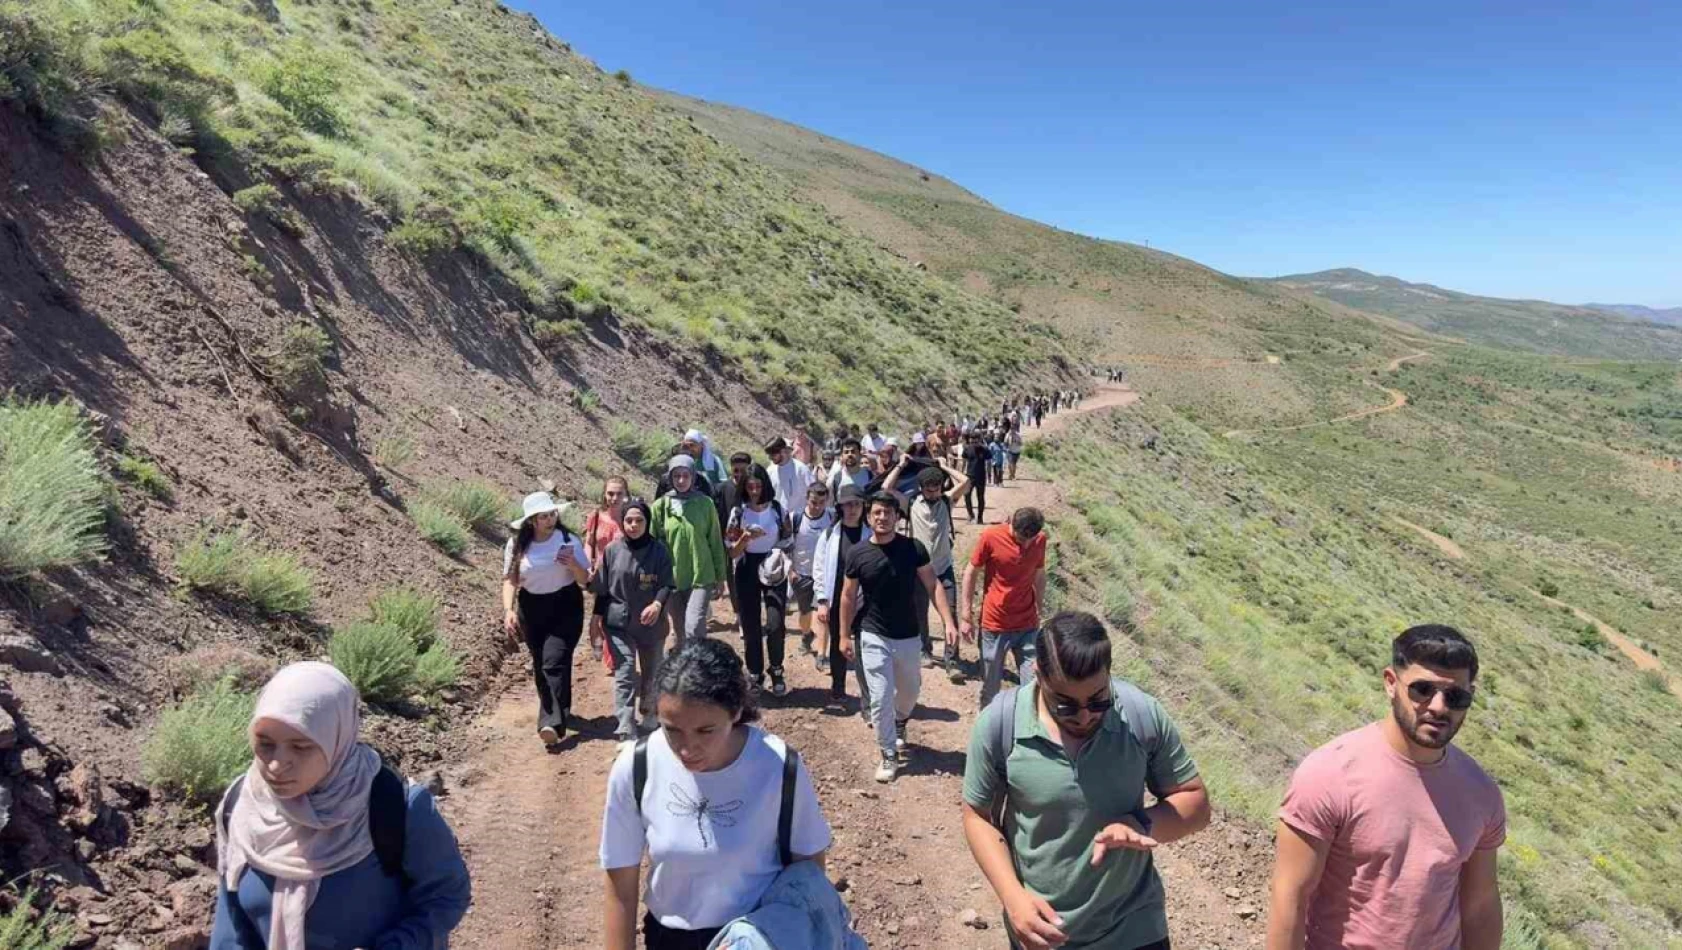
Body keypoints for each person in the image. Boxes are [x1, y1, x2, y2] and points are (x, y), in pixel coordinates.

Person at [961, 612, 1208, 950]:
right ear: (1038, 676)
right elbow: (976, 817)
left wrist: (1141, 824)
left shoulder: (1140, 716)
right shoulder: (1000, 725)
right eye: (1066, 704)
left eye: (1098, 699)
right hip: (1045, 932)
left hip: (1134, 926)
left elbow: (1195, 803)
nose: (1085, 715)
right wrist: (1012, 897)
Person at [1266, 625, 1505, 950]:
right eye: (1422, 690)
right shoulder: (1330, 773)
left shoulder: (1481, 792)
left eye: (1455, 696)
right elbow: (1290, 896)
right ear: (1391, 684)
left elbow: (1480, 907)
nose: (1438, 707)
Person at [212, 662, 471, 950]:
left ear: (337, 739)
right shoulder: (243, 806)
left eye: (300, 747)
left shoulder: (395, 807)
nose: (275, 764)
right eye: (265, 744)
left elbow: (447, 895)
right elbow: (231, 923)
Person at [601, 639, 832, 950]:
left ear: (736, 711)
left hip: (758, 937)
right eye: (672, 729)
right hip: (670, 939)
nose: (686, 748)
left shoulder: (779, 766)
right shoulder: (636, 765)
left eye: (705, 731)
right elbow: (620, 888)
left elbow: (808, 873)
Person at [837, 492, 959, 783]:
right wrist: (843, 635)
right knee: (879, 698)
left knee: (910, 692)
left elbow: (934, 585)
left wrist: (948, 621)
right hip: (872, 633)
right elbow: (847, 595)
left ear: (896, 517)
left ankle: (901, 720)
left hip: (907, 635)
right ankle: (888, 753)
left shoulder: (913, 548)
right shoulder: (857, 553)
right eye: (877, 512)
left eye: (887, 513)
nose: (882, 518)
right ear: (869, 516)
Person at [503, 491, 591, 745]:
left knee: (555, 661)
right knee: (542, 664)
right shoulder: (517, 545)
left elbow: (585, 580)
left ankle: (550, 723)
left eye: (552, 514)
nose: (550, 520)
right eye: (544, 516)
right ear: (532, 521)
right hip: (531, 608)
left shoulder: (568, 540)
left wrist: (573, 563)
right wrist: (509, 610)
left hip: (565, 605)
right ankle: (559, 711)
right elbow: (510, 580)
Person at [591, 499, 675, 748]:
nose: (634, 525)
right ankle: (626, 728)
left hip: (651, 623)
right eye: (629, 520)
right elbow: (602, 590)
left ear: (647, 522)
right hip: (618, 623)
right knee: (625, 672)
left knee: (651, 672)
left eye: (639, 520)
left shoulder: (659, 551)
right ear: (623, 523)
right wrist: (596, 621)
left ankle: (650, 712)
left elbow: (667, 584)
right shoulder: (612, 551)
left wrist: (657, 605)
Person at [962, 506, 1047, 708]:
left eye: (1030, 539)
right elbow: (971, 570)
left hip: (1027, 624)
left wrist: (1039, 607)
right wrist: (966, 615)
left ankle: (1027, 729)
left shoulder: (1040, 539)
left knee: (1034, 683)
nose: (1026, 544)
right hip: (995, 624)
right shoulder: (991, 536)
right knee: (991, 685)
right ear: (1011, 524)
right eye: (1021, 538)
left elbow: (1039, 573)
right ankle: (987, 725)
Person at [726, 464, 792, 696]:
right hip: (746, 567)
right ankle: (755, 672)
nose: (754, 491)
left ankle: (776, 669)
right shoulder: (738, 513)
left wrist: (776, 551)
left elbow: (788, 539)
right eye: (749, 486)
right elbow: (732, 551)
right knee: (750, 623)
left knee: (775, 622)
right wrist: (745, 538)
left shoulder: (777, 509)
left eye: (758, 486)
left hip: (772, 565)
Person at [651, 456, 729, 649]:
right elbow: (651, 544)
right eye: (676, 476)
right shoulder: (661, 507)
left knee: (694, 626)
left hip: (701, 574)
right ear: (670, 478)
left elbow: (715, 542)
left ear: (693, 477)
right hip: (672, 578)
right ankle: (684, 673)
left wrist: (721, 577)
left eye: (686, 475)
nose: (681, 480)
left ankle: (701, 668)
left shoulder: (705, 504)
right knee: (679, 631)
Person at [908, 464, 971, 681]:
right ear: (921, 488)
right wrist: (900, 465)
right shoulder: (911, 503)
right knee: (919, 613)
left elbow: (965, 481)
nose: (933, 493)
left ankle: (951, 660)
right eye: (928, 490)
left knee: (950, 614)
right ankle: (923, 650)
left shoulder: (946, 501)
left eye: (936, 489)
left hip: (943, 568)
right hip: (918, 569)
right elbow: (887, 488)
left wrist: (944, 466)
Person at [812, 484, 869, 704]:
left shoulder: (871, 534)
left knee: (865, 646)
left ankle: (868, 694)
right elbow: (819, 568)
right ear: (840, 507)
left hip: (865, 601)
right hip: (836, 598)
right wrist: (822, 600)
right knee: (838, 641)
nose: (853, 509)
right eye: (848, 504)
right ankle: (838, 687)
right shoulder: (830, 534)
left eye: (857, 504)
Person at [789, 481, 835, 666]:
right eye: (813, 502)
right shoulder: (795, 518)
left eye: (821, 502)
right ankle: (806, 635)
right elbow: (786, 545)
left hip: (824, 575)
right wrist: (790, 570)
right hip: (802, 574)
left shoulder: (831, 518)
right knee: (805, 612)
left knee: (823, 613)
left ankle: (822, 655)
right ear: (807, 499)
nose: (817, 507)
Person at [584, 476, 630, 573]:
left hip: (623, 575)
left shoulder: (631, 521)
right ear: (604, 494)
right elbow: (589, 543)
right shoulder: (595, 517)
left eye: (619, 494)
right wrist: (588, 566)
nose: (615, 498)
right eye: (610, 494)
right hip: (598, 574)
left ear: (626, 495)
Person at [765, 435, 813, 515]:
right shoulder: (770, 470)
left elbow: (812, 493)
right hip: (777, 518)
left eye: (772, 455)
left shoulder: (801, 470)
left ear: (783, 451)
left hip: (797, 518)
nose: (770, 458)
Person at [961, 431, 990, 524]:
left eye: (976, 441)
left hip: (981, 476)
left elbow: (989, 462)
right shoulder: (967, 449)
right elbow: (964, 461)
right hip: (969, 476)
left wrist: (989, 475)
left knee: (980, 497)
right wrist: (961, 473)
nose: (974, 443)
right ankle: (970, 514)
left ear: (979, 440)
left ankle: (980, 518)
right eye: (972, 441)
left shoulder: (985, 449)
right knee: (966, 496)